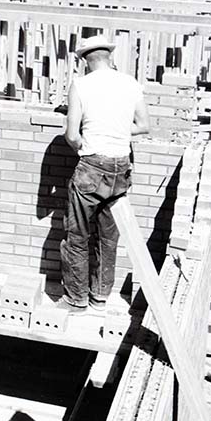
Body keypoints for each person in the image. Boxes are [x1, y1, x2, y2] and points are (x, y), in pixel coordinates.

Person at [60, 34, 150, 312]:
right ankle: (100, 297)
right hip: (121, 168)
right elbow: (143, 126)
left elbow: (71, 135)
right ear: (110, 58)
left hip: (92, 166)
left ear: (85, 61)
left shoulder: (81, 85)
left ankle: (77, 299)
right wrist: (117, 130)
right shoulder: (130, 83)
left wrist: (86, 144)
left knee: (77, 237)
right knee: (108, 238)